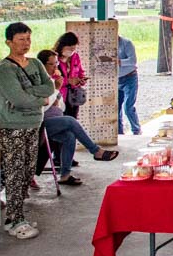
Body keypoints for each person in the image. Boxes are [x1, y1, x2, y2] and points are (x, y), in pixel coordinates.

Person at [0, 22, 56, 240]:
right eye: (21, 39)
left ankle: (18, 214)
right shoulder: (5, 68)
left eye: (28, 39)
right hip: (12, 127)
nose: (25, 43)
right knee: (15, 173)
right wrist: (38, 99)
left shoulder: (36, 63)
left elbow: (50, 87)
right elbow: (17, 99)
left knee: (28, 172)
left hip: (34, 124)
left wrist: (30, 93)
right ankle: (14, 219)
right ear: (9, 42)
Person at [35, 49, 118, 184]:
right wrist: (55, 91)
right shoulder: (38, 82)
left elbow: (60, 106)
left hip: (55, 119)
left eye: (56, 64)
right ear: (42, 65)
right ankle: (96, 151)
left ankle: (65, 174)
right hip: (41, 123)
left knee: (69, 136)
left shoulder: (52, 80)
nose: (55, 67)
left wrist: (55, 97)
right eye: (52, 64)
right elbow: (42, 104)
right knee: (71, 121)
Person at [53, 32, 87, 119]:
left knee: (72, 120)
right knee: (61, 121)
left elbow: (80, 72)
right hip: (59, 97)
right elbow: (50, 78)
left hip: (73, 97)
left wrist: (81, 80)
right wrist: (68, 81)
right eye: (69, 48)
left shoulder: (75, 57)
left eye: (73, 49)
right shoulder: (53, 58)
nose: (71, 51)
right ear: (62, 46)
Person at [117, 35, 141, 135]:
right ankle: (119, 132)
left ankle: (136, 130)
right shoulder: (107, 45)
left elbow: (133, 61)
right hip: (116, 79)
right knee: (115, 108)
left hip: (129, 77)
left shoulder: (126, 43)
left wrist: (119, 61)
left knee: (128, 106)